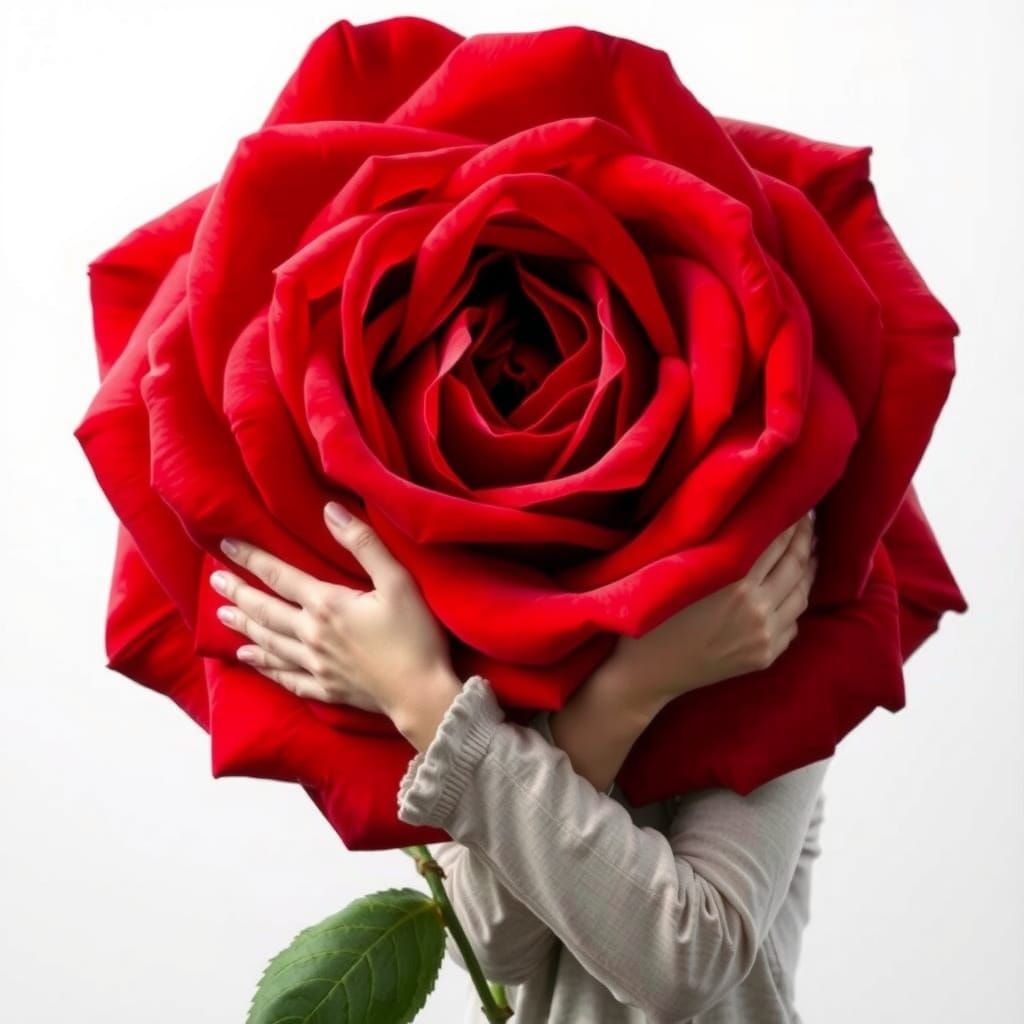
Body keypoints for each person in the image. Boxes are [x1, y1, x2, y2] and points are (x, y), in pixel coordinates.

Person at [209, 503, 823, 1023]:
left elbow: (687, 957)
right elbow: (492, 938)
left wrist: (422, 699)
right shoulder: (445, 630)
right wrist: (624, 694)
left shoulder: (759, 623)